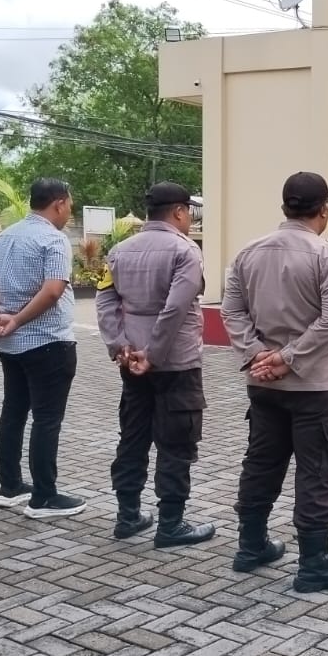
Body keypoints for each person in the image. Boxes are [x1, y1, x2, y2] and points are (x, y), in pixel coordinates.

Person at [221, 171, 328, 593]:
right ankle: (315, 565)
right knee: (318, 472)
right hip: (318, 388)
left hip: (265, 385)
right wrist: (287, 358)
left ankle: (251, 546)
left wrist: (257, 355)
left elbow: (231, 312)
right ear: (324, 210)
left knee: (261, 463)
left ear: (285, 207)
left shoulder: (247, 253)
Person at [95, 182, 216, 549]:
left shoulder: (119, 251)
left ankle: (127, 516)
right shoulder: (186, 251)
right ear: (178, 211)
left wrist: (121, 346)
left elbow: (105, 302)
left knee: (132, 438)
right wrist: (154, 354)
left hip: (131, 363)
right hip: (176, 364)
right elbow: (176, 308)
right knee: (176, 443)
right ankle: (171, 525)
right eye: (189, 212)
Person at [0, 178, 83, 518]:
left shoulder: (5, 236)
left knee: (13, 412)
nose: (69, 212)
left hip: (10, 345)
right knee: (46, 419)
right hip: (47, 342)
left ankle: (10, 486)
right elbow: (53, 290)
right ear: (59, 203)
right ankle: (44, 496)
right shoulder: (53, 239)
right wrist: (17, 320)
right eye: (69, 205)